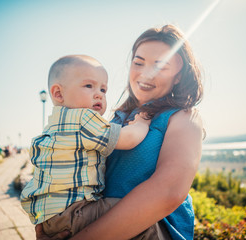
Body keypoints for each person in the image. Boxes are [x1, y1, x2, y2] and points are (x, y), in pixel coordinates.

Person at [36, 24, 204, 240]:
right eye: (138, 62)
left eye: (160, 66)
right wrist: (56, 219)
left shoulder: (183, 117)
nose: (145, 73)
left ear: (179, 76)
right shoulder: (117, 118)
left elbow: (168, 193)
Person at [21, 55, 152, 237]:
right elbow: (127, 139)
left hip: (49, 217)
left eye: (103, 89)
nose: (99, 94)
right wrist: (142, 122)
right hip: (75, 211)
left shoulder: (54, 124)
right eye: (89, 86)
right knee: (137, 217)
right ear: (58, 93)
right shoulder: (82, 118)